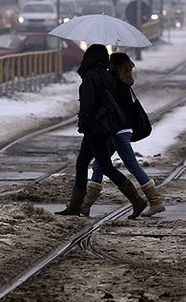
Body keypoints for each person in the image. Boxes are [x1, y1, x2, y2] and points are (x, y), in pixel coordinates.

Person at [56, 44, 147, 218]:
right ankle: (76, 205)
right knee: (82, 164)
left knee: (105, 166)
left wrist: (84, 123)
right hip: (104, 128)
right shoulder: (107, 76)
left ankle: (137, 200)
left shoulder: (91, 76)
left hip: (94, 128)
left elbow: (89, 104)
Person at [82, 52, 165, 217]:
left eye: (110, 63)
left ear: (113, 65)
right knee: (99, 164)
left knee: (131, 165)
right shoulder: (126, 83)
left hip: (116, 131)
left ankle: (155, 202)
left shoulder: (113, 83)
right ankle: (85, 206)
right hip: (125, 130)